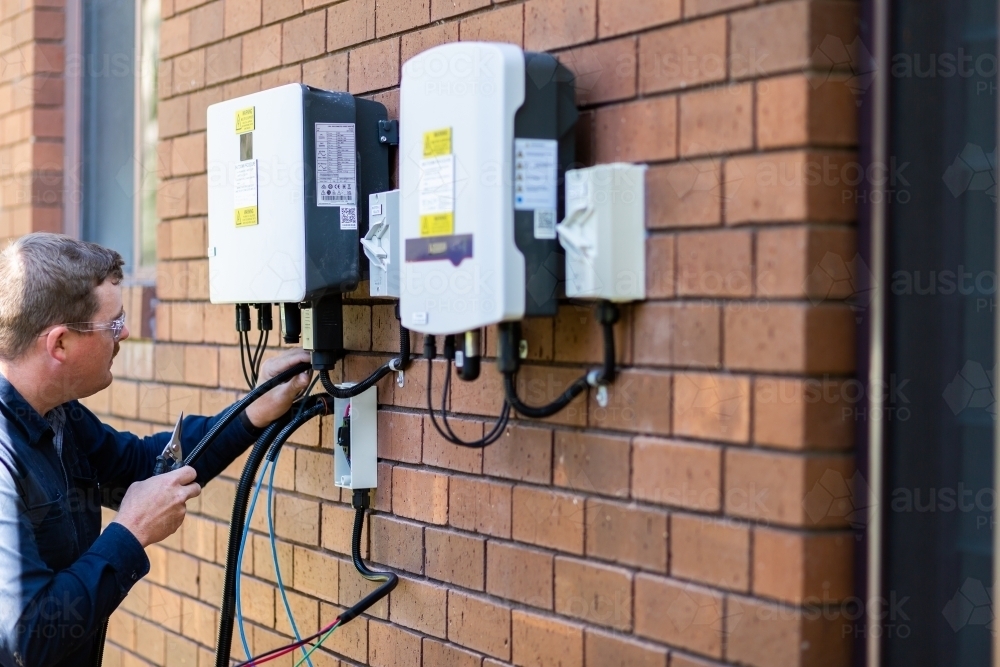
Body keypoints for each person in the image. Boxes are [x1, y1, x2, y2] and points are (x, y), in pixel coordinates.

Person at [0, 233, 311, 666]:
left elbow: (147, 466)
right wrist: (130, 533)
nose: (124, 332)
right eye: (112, 324)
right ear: (59, 344)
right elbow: (26, 639)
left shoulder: (57, 415)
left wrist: (252, 410)